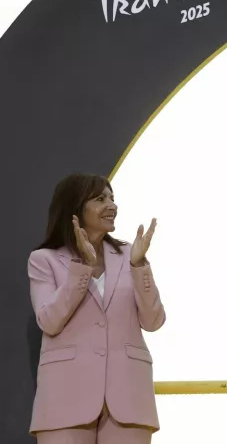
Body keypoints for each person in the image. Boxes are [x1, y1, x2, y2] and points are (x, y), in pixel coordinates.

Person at [27, 173, 165, 443]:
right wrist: (83, 269)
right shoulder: (44, 260)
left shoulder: (130, 254)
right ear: (76, 207)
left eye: (113, 198)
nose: (111, 205)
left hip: (128, 399)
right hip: (65, 399)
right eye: (100, 199)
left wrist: (139, 266)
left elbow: (153, 321)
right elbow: (49, 321)